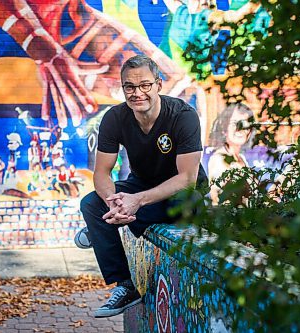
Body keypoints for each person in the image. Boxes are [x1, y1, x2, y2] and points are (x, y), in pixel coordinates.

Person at [76, 55, 206, 318]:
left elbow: (188, 178)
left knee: (182, 208)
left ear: (158, 84)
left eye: (145, 85)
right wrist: (113, 201)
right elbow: (101, 172)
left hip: (182, 190)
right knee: (92, 204)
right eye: (130, 87)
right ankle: (125, 286)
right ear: (122, 88)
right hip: (142, 181)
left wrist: (137, 201)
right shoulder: (115, 117)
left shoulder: (183, 116)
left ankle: (104, 228)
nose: (138, 93)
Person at [207, 103, 254, 206]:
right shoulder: (219, 159)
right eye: (234, 123)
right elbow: (218, 198)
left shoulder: (242, 159)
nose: (239, 129)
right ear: (224, 129)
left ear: (249, 132)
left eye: (244, 124)